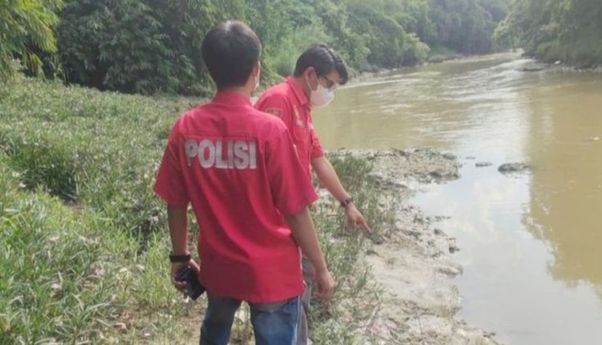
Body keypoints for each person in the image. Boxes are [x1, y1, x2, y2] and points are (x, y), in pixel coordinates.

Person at [154, 21, 335, 345]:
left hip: (220, 268)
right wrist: (321, 268)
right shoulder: (270, 131)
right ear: (256, 70)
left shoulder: (185, 128)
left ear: (209, 70)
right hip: (273, 275)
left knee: (215, 328)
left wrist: (180, 257)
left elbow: (176, 201)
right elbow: (295, 210)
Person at [255, 44, 370, 345]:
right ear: (310, 74)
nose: (330, 92)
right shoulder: (278, 102)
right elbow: (267, 175)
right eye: (329, 84)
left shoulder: (303, 106)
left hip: (295, 216)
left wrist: (348, 203)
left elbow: (318, 160)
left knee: (301, 283)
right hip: (277, 222)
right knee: (291, 288)